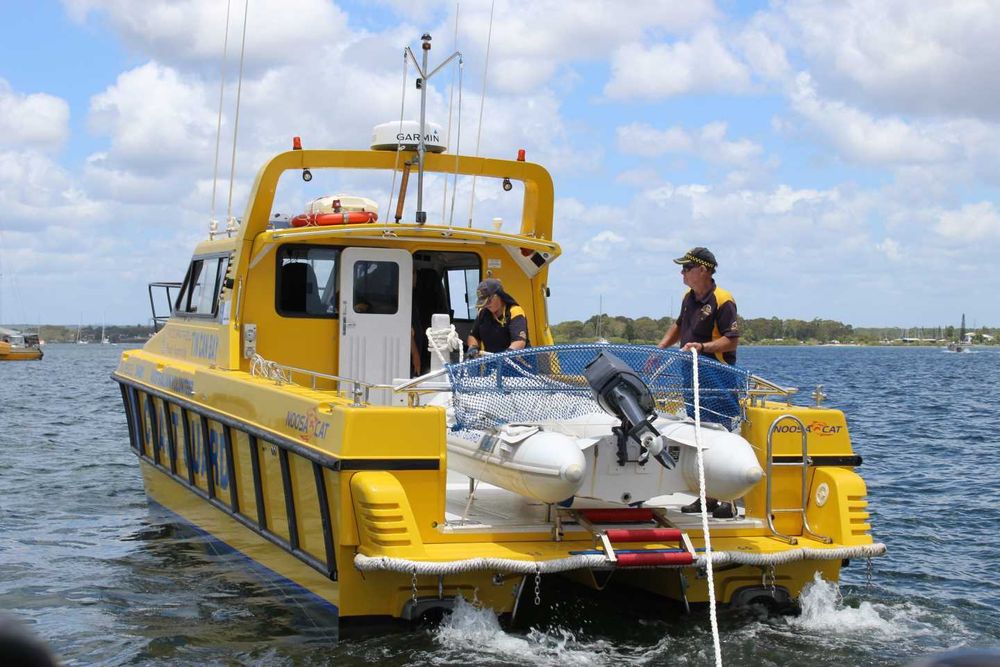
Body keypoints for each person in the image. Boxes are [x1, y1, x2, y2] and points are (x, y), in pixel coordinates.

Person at [656, 247, 741, 518]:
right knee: (698, 434)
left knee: (721, 434)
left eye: (686, 268)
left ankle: (726, 500)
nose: (682, 273)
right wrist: (660, 349)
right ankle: (705, 497)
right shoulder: (688, 297)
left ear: (703, 270)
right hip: (690, 372)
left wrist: (702, 347)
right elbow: (679, 325)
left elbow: (732, 339)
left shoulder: (723, 299)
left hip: (717, 373)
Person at [467, 278, 530, 356]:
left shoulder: (515, 311)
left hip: (517, 364)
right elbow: (473, 336)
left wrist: (505, 356)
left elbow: (519, 342)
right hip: (493, 363)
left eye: (488, 301)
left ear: (498, 295)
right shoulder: (482, 313)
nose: (486, 305)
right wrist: (473, 347)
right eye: (483, 303)